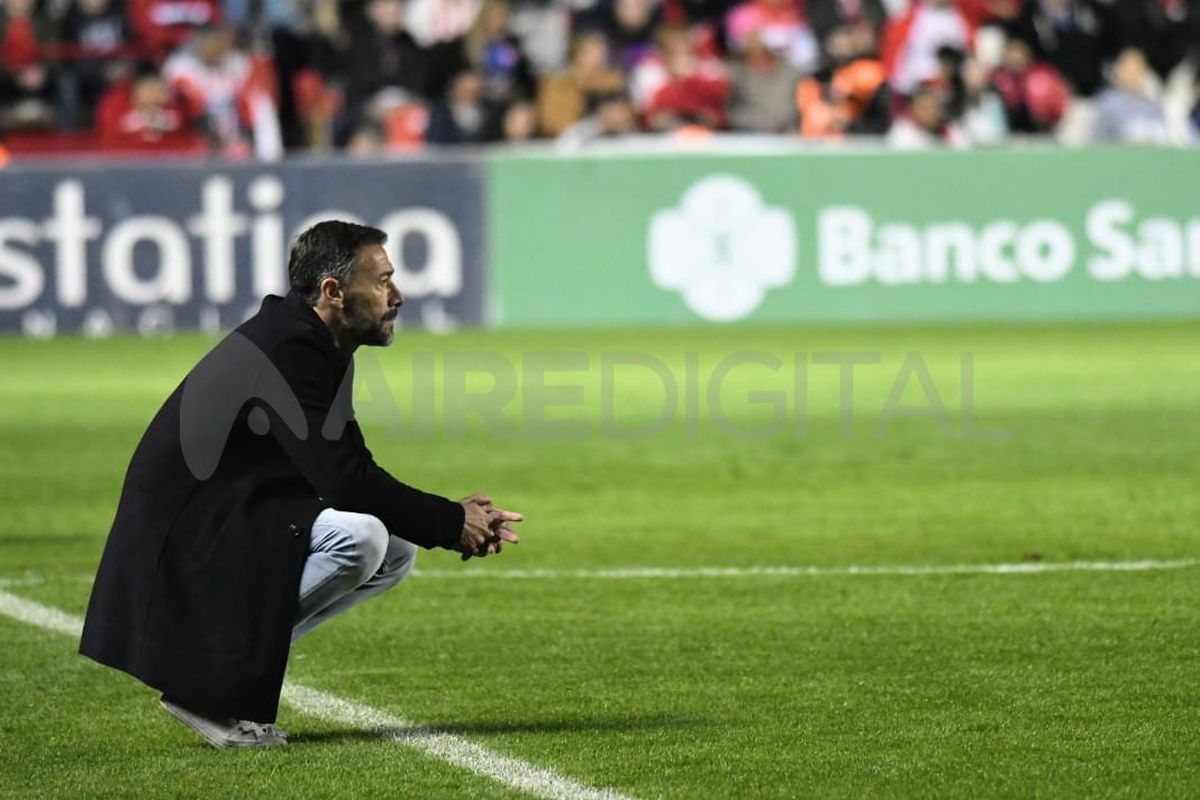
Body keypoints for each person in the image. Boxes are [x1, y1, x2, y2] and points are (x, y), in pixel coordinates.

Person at [80, 220, 523, 749]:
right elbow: (347, 482)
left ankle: (213, 673)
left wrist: (449, 518)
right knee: (363, 539)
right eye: (383, 281)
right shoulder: (289, 348)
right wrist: (452, 522)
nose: (398, 296)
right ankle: (204, 687)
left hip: (233, 511)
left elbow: (346, 468)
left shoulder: (314, 341)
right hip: (187, 534)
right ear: (334, 291)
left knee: (394, 548)